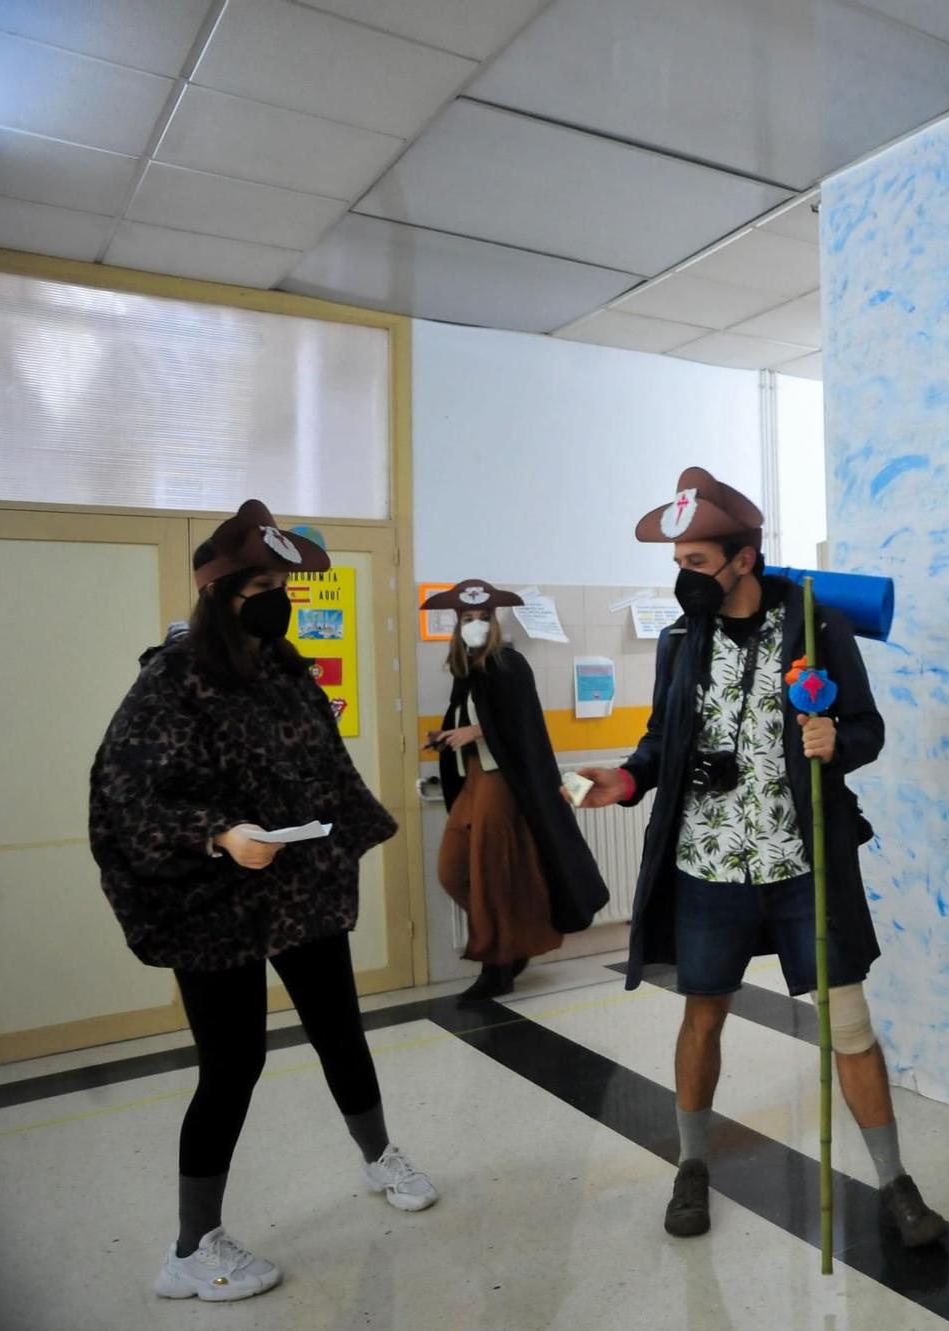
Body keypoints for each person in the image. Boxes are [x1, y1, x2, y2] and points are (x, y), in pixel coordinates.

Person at [572, 468, 947, 1248]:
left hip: (802, 863)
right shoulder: (681, 640)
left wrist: (836, 740)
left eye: (698, 563)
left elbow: (868, 727)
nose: (684, 578)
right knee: (702, 1014)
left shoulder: (815, 625)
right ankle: (691, 1166)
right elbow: (661, 737)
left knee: (849, 1024)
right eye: (679, 563)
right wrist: (629, 776)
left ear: (745, 558)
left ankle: (895, 1180)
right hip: (709, 863)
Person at [88, 500, 438, 1303]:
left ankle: (381, 1154)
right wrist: (221, 834)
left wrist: (339, 825)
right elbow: (129, 795)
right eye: (262, 586)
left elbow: (319, 760)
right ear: (218, 593)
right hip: (210, 905)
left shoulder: (284, 669)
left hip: (296, 888)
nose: (278, 598)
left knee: (339, 1028)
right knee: (233, 1062)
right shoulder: (170, 680)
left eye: (284, 583)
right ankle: (190, 1247)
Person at [424, 579, 609, 1003]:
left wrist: (477, 730)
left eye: (483, 618)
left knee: (491, 877)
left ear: (494, 622)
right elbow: (475, 716)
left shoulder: (510, 664)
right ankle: (513, 942)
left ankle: (498, 964)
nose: (475, 625)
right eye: (468, 618)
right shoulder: (466, 670)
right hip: (472, 778)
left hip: (501, 782)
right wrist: (449, 735)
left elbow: (523, 728)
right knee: (453, 872)